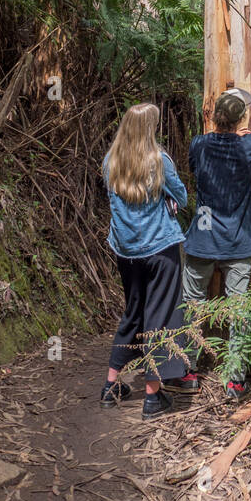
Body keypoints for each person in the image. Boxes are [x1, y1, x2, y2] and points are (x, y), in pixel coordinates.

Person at [175, 82, 251, 402]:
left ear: (214, 116)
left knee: (193, 304)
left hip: (202, 239)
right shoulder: (248, 147)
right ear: (240, 122)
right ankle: (234, 380)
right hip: (238, 242)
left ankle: (188, 370)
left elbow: (197, 165)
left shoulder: (199, 145)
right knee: (239, 311)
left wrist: (230, 135)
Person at [100, 103, 188, 420]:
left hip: (127, 252)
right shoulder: (159, 161)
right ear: (149, 129)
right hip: (160, 250)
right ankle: (152, 397)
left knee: (134, 313)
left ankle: (110, 388)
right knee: (160, 319)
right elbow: (183, 197)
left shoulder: (111, 161)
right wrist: (167, 197)